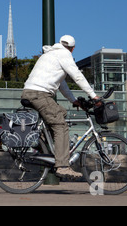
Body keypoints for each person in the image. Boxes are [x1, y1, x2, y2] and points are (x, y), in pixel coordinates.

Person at [21, 35, 101, 179]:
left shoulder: (50, 54)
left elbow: (61, 84)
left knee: (60, 113)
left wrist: (73, 100)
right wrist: (93, 95)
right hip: (40, 94)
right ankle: (63, 165)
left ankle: (43, 147)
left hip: (30, 92)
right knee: (61, 125)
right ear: (73, 48)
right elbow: (77, 76)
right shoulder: (64, 54)